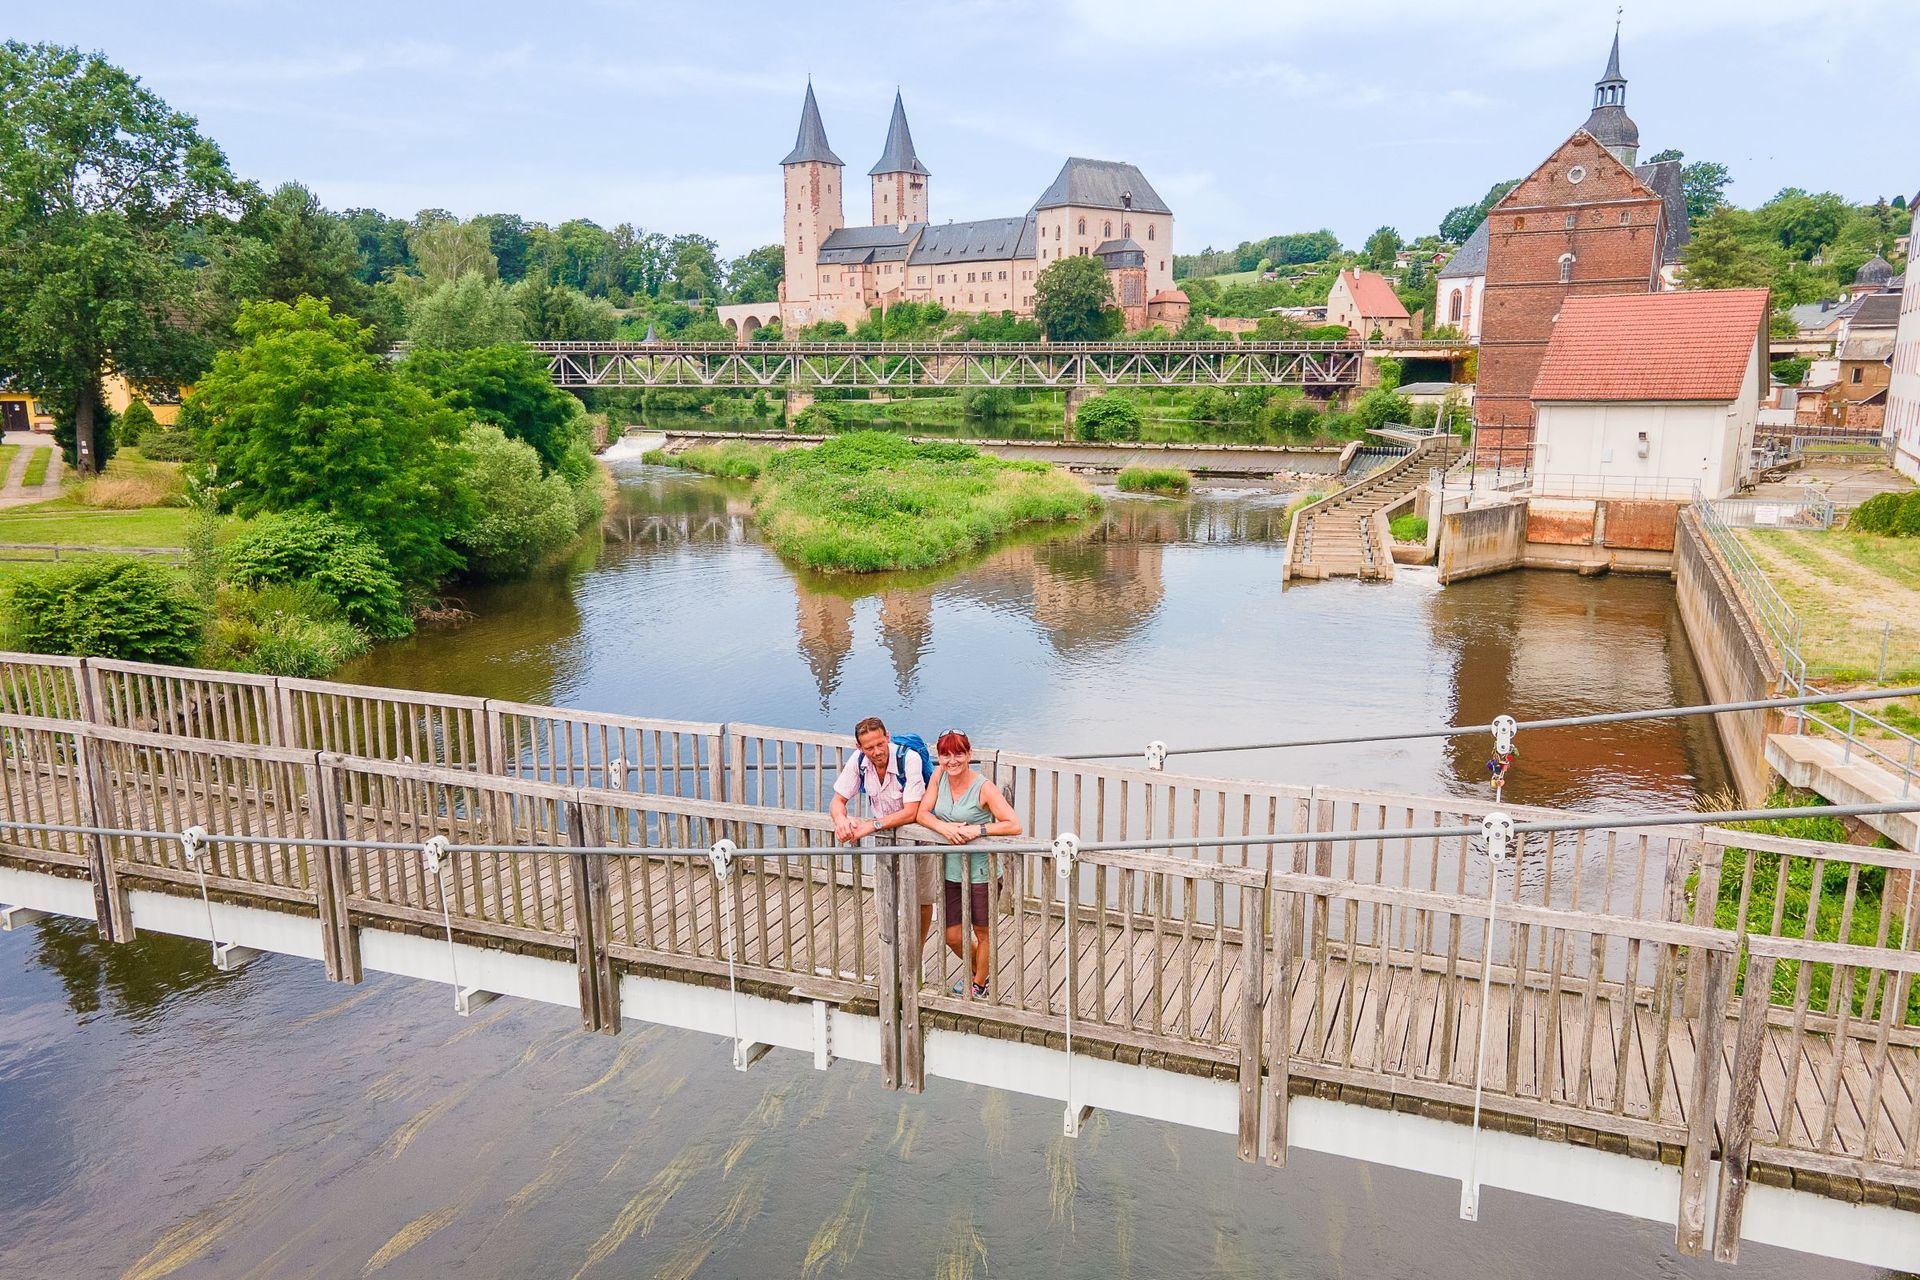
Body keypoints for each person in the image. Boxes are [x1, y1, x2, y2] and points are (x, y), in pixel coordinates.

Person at [913, 728, 1021, 998]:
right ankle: (981, 970)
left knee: (982, 931)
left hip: (981, 872)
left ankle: (980, 984)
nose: (952, 761)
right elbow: (922, 813)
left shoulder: (983, 787)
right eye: (946, 755)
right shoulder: (939, 776)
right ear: (939, 757)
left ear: (969, 754)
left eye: (958, 754)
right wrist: (944, 828)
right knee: (952, 936)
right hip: (950, 871)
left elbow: (1014, 824)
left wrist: (979, 831)